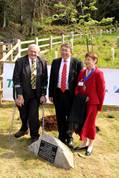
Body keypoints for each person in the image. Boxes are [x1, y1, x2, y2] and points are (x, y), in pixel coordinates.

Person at [48, 43, 83, 148]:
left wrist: (78, 96)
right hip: (58, 93)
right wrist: (50, 94)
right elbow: (52, 79)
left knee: (70, 117)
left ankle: (69, 138)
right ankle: (61, 136)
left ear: (71, 52)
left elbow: (80, 81)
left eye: (66, 50)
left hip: (70, 95)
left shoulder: (77, 63)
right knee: (60, 116)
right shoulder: (55, 62)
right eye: (62, 50)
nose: (64, 52)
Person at [13, 44, 48, 143]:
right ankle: (24, 129)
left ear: (38, 52)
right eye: (31, 51)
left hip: (35, 95)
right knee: (23, 114)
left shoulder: (42, 62)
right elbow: (16, 79)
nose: (33, 53)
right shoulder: (20, 62)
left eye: (35, 52)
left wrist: (43, 94)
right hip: (22, 95)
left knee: (33, 116)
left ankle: (34, 135)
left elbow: (45, 80)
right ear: (28, 51)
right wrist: (19, 95)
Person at [75, 52, 105, 155]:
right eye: (86, 59)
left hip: (93, 103)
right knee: (83, 122)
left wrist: (99, 106)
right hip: (82, 102)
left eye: (89, 59)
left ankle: (90, 144)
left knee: (90, 124)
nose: (87, 61)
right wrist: (79, 96)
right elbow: (78, 86)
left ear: (95, 61)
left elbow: (101, 91)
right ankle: (84, 142)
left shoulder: (98, 73)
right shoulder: (82, 72)